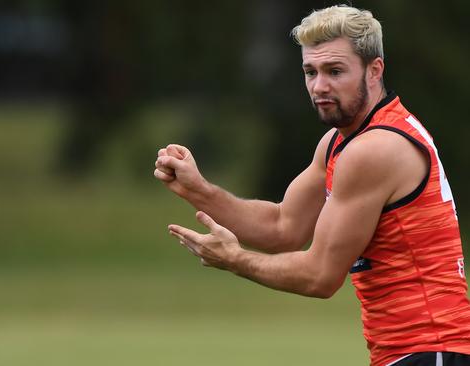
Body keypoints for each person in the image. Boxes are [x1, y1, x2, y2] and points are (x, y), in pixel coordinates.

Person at [154, 5, 470, 366]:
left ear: (374, 70)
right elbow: (283, 226)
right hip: (412, 352)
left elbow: (320, 276)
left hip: (431, 348)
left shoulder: (376, 149)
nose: (319, 86)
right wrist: (199, 190)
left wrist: (235, 260)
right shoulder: (340, 143)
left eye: (335, 71)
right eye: (310, 71)